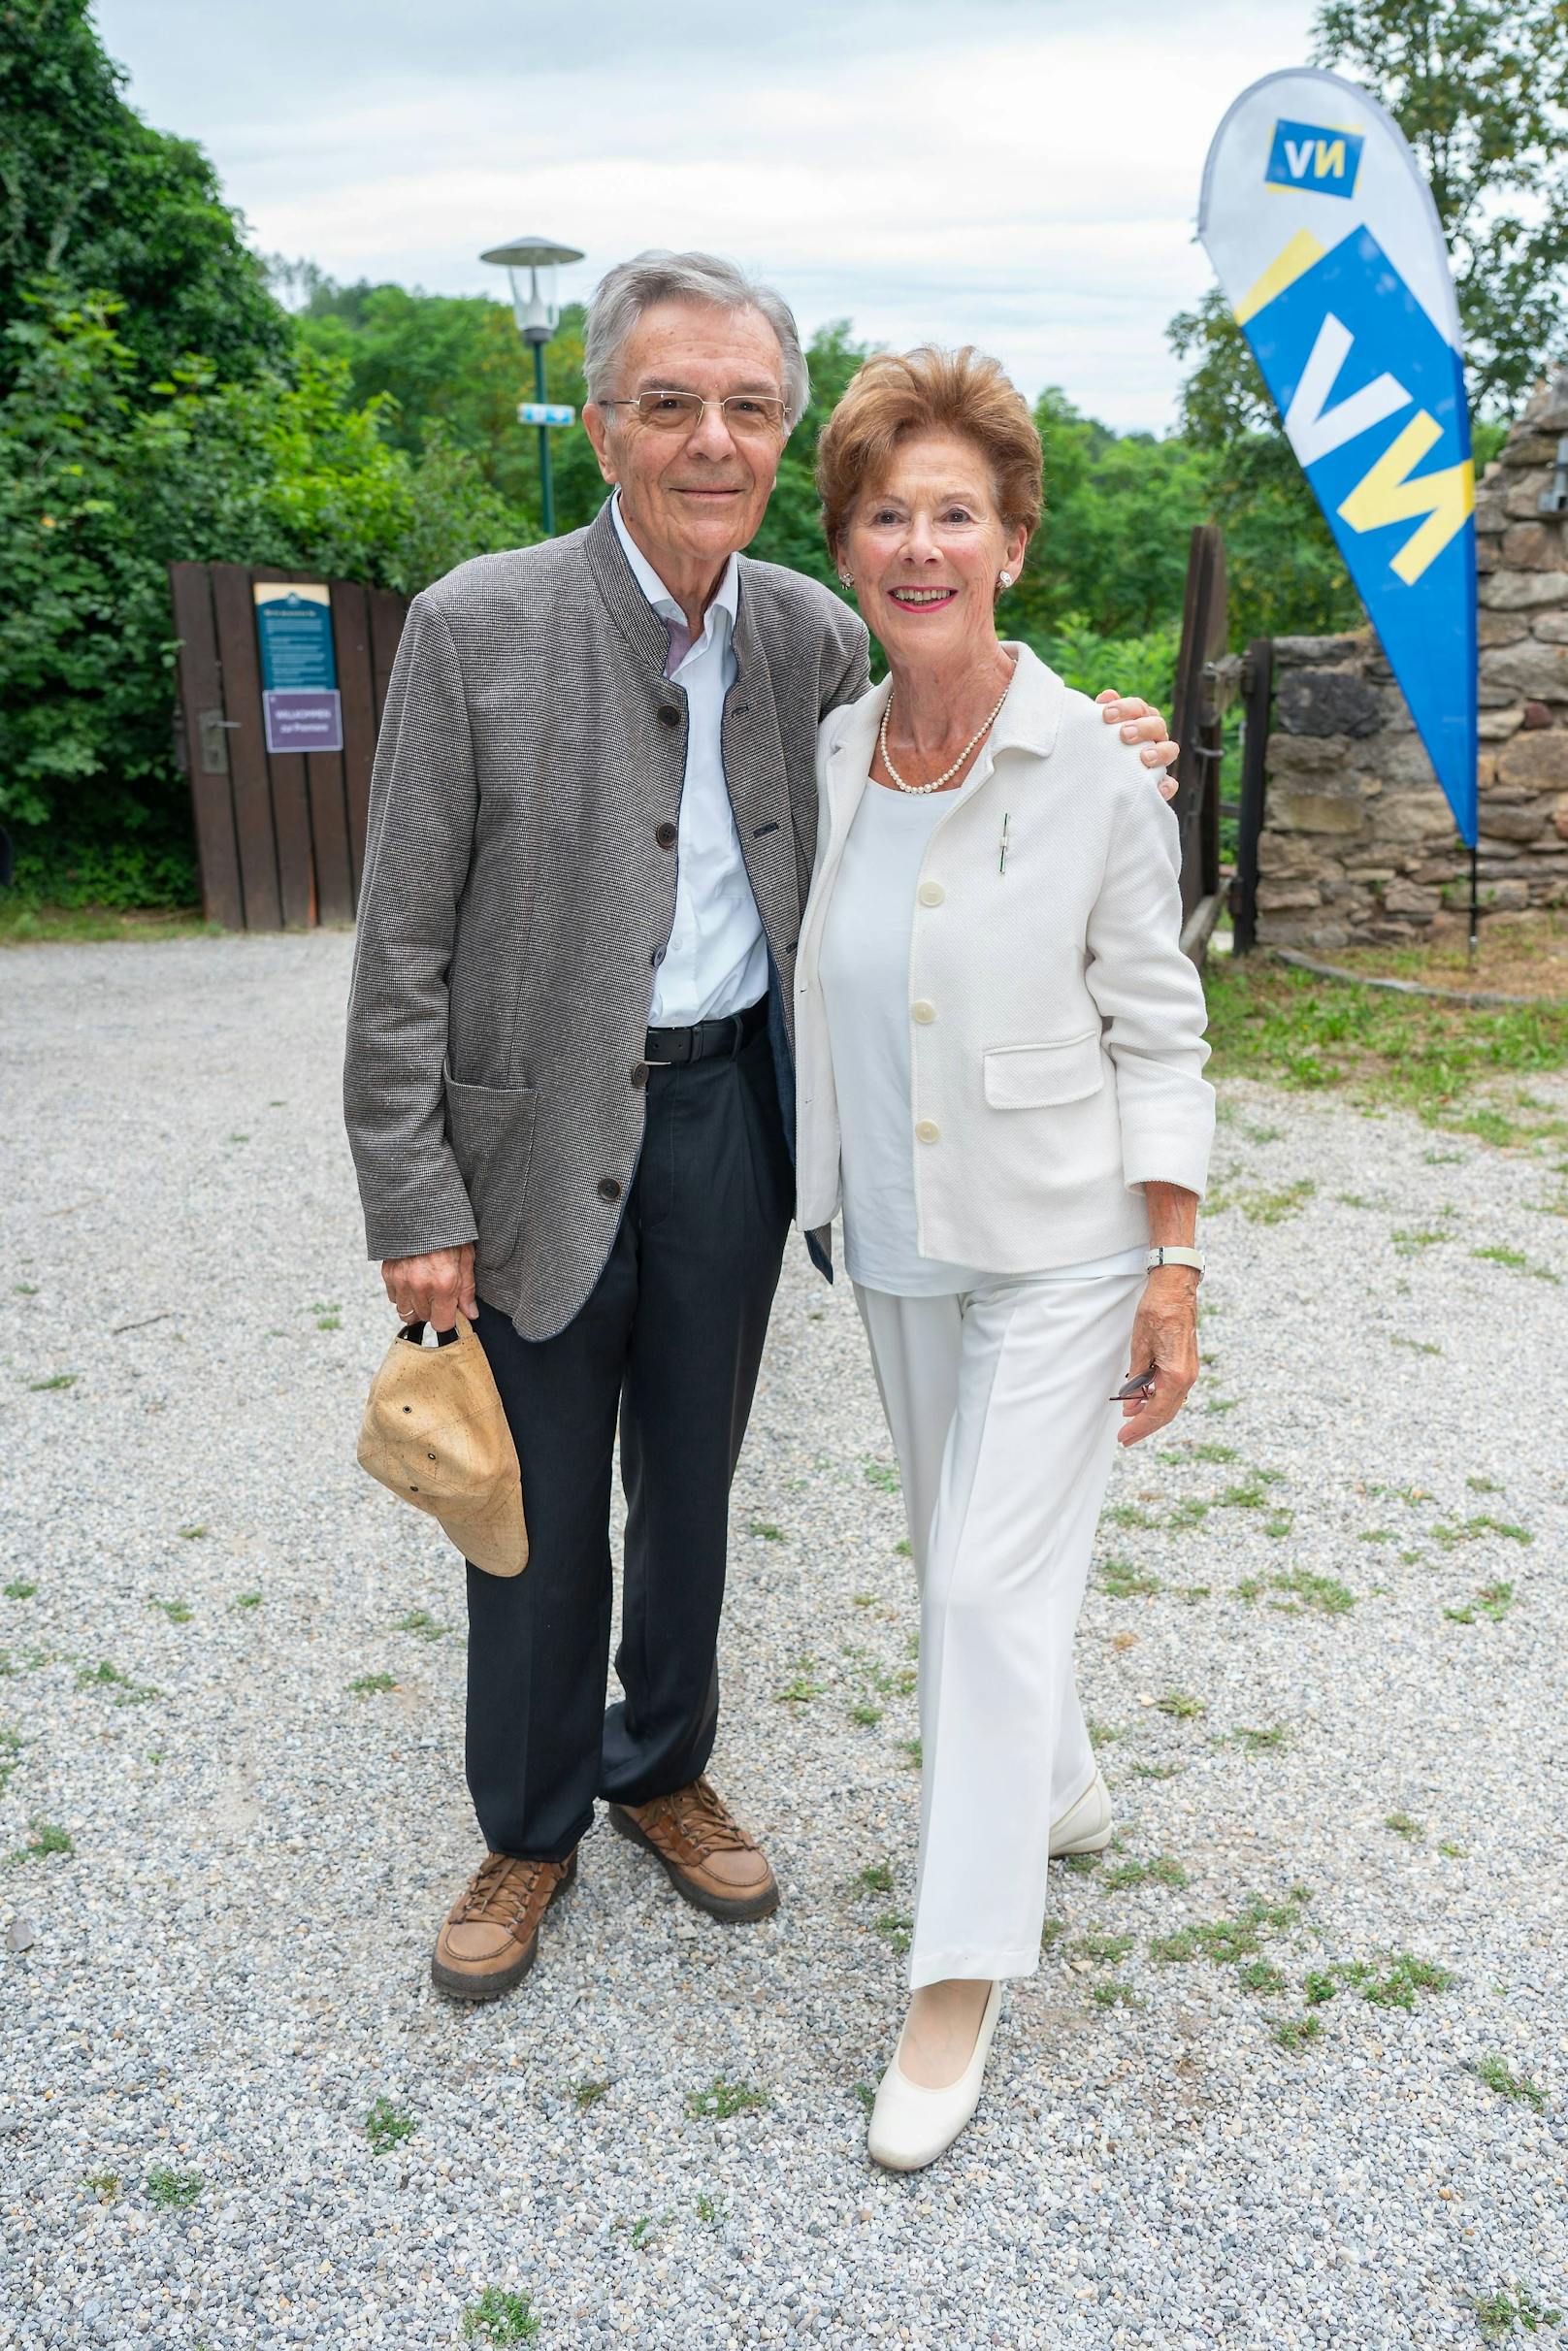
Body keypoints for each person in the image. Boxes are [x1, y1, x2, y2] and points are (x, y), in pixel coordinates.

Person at [342, 253, 1182, 2005]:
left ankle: (662, 1767)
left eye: (745, 408)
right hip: (531, 1139)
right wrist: (411, 1191)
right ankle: (528, 1826)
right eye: (671, 403)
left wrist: (1101, 734)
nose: (709, 439)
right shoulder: (475, 625)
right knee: (540, 1500)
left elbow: (947, 739)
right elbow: (401, 938)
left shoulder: (808, 627)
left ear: (781, 433)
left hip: (738, 1113)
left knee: (696, 1487)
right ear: (602, 426)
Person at [794, 346, 1214, 2169]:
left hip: (1062, 1245)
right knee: (948, 1553)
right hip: (895, 1236)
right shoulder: (830, 750)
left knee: (975, 1595)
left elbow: (1166, 1027)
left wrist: (1174, 1265)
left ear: (1014, 544)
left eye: (955, 511)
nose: (918, 542)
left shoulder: (1099, 768)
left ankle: (953, 1985)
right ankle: (1055, 1780)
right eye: (886, 512)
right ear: (853, 548)